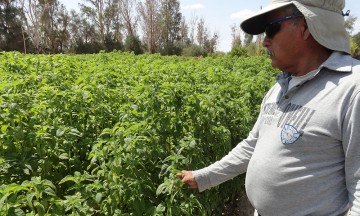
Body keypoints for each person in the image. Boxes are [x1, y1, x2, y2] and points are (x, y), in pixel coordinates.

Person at [176, 0, 360, 215]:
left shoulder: (352, 88)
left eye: (271, 29)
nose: (265, 42)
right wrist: (204, 177)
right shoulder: (280, 88)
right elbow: (252, 146)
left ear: (305, 26)